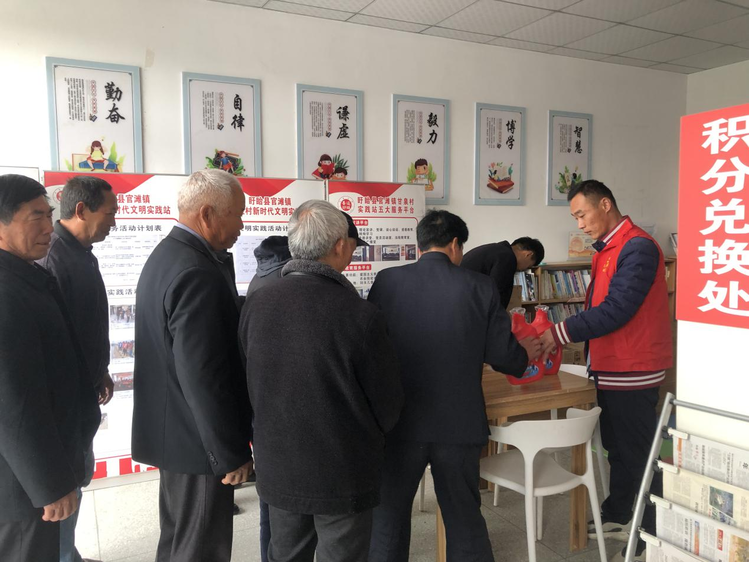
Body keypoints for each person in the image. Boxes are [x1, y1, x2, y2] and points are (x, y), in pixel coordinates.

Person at [367, 210, 542, 562]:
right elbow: (505, 358)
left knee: (387, 518)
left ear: (420, 245)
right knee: (464, 519)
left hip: (398, 423)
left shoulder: (386, 282)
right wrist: (524, 352)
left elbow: (370, 347)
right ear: (455, 245)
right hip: (459, 425)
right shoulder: (480, 286)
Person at [239, 200, 403, 562]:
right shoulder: (360, 314)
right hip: (343, 467)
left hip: (278, 462)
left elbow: (247, 380)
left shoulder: (257, 304)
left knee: (286, 554)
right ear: (339, 246)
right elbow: (388, 403)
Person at [538, 180, 673, 562]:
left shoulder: (638, 247)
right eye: (576, 218)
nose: (580, 224)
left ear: (606, 204)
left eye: (582, 214)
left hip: (634, 368)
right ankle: (620, 513)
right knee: (616, 448)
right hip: (611, 366)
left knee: (638, 454)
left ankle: (650, 536)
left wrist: (558, 333)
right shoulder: (608, 248)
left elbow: (617, 310)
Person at [132, 169, 253, 562]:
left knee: (179, 540)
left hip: (177, 434)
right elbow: (204, 374)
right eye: (237, 214)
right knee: (199, 547)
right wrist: (228, 452)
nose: (241, 224)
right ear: (207, 214)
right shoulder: (197, 272)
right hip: (199, 442)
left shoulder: (169, 255)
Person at [0, 174, 100, 561]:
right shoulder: (7, 292)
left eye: (49, 214)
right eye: (35, 217)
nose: (48, 227)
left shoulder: (25, 276)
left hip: (40, 471)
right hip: (23, 489)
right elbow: (13, 403)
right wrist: (49, 484)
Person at [36, 175, 118, 562]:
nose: (114, 222)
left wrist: (100, 369)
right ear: (82, 210)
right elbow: (55, 343)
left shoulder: (82, 253)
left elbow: (86, 325)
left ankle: (67, 552)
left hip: (83, 393)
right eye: (110, 213)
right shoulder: (53, 258)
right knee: (67, 484)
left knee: (78, 477)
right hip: (64, 404)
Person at [461, 236, 545, 310]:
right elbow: (498, 297)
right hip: (466, 306)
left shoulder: (496, 250)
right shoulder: (508, 258)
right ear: (528, 254)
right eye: (529, 265)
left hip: (459, 300)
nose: (524, 269)